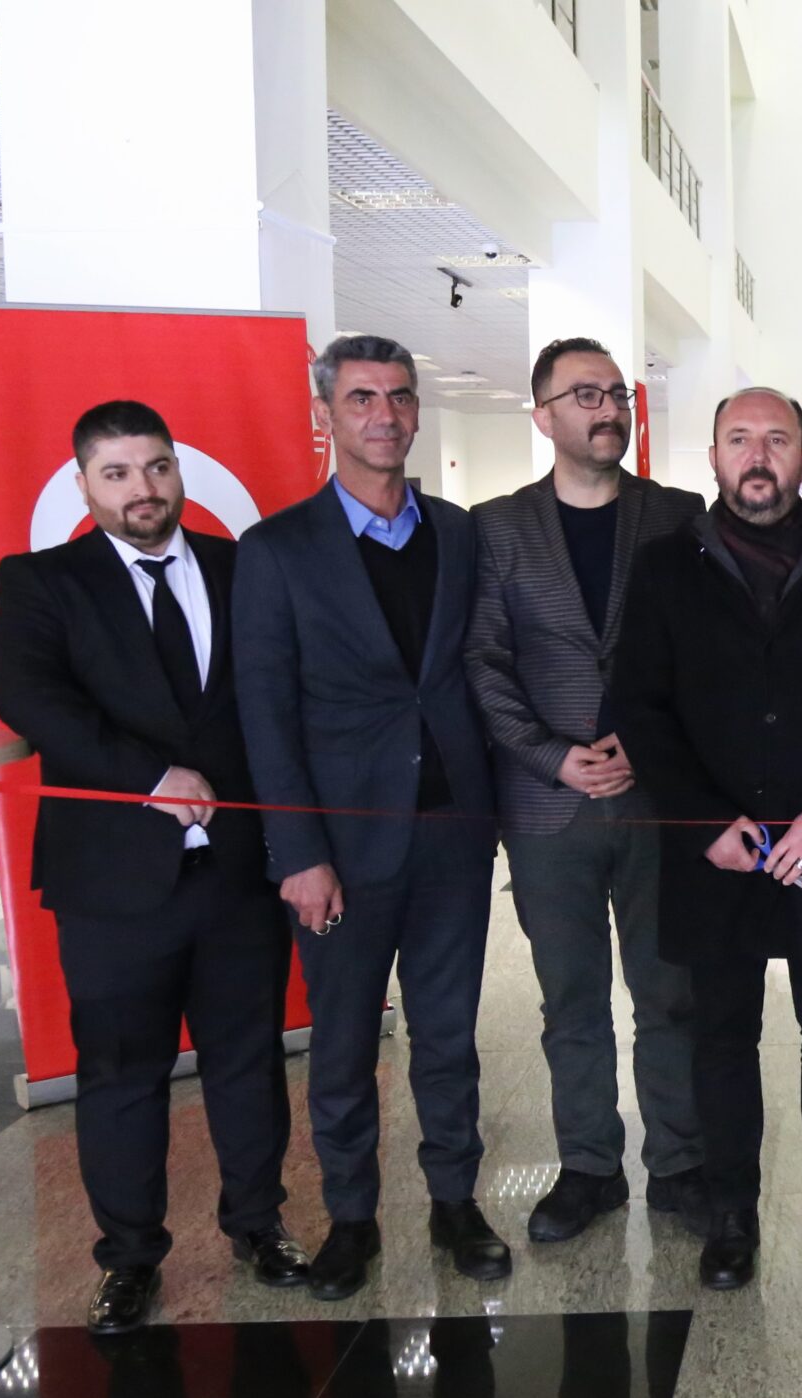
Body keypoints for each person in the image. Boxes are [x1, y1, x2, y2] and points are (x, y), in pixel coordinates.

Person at [0, 400, 306, 1334]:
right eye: (118, 473)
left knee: (248, 1060)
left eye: (157, 467)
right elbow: (29, 696)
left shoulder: (242, 567)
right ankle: (129, 1259)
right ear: (83, 484)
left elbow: (278, 697)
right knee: (122, 1073)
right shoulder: (44, 580)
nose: (143, 489)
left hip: (238, 874)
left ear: (179, 471)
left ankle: (259, 1226)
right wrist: (149, 776)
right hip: (114, 883)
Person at [609, 384, 802, 1291]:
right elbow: (641, 707)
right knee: (721, 1033)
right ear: (712, 458)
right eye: (739, 438)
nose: (758, 455)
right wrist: (704, 822)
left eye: (777, 439)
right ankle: (731, 1208)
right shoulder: (666, 567)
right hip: (717, 851)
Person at [234, 334, 507, 1300]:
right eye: (360, 398)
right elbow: (265, 712)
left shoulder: (460, 534)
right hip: (341, 849)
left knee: (449, 1034)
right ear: (325, 414)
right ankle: (351, 1217)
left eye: (398, 396)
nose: (382, 415)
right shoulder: (276, 550)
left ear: (417, 410)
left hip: (452, 832)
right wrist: (298, 852)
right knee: (345, 1044)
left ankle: (454, 1201)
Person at [465, 337, 707, 1247]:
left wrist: (648, 743)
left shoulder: (677, 515)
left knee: (668, 994)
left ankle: (679, 1164)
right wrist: (551, 756)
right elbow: (483, 659)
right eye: (584, 396)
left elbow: (698, 651)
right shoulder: (496, 527)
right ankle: (589, 1169)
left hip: (655, 798)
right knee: (570, 999)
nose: (607, 409)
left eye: (616, 394)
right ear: (543, 416)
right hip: (547, 806)